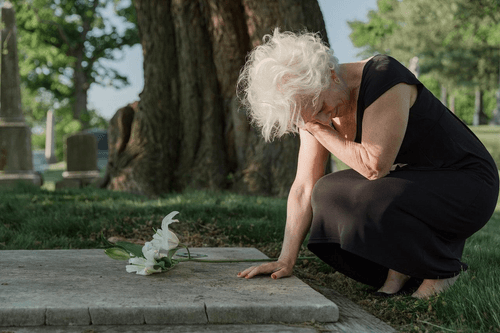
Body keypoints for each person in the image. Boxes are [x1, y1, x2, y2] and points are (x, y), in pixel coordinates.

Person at [236, 29, 499, 299]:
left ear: (331, 74)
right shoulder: (311, 107)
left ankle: (442, 271)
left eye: (321, 109)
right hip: (411, 185)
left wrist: (318, 129)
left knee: (369, 194)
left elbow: (374, 166)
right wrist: (285, 259)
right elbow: (304, 186)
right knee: (328, 191)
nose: (323, 120)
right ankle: (402, 267)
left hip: (468, 184)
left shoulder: (384, 76)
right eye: (310, 118)